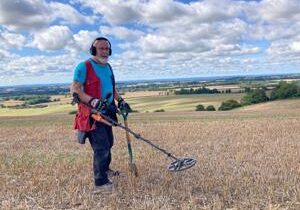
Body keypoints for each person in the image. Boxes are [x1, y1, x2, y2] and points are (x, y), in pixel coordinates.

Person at [70, 37, 130, 194]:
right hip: (92, 113)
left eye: (106, 49)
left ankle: (105, 169)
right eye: (101, 48)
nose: (104, 51)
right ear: (93, 50)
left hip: (108, 110)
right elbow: (75, 90)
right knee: (101, 147)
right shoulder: (84, 67)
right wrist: (93, 101)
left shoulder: (108, 67)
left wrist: (121, 101)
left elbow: (112, 88)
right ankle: (100, 183)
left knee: (109, 143)